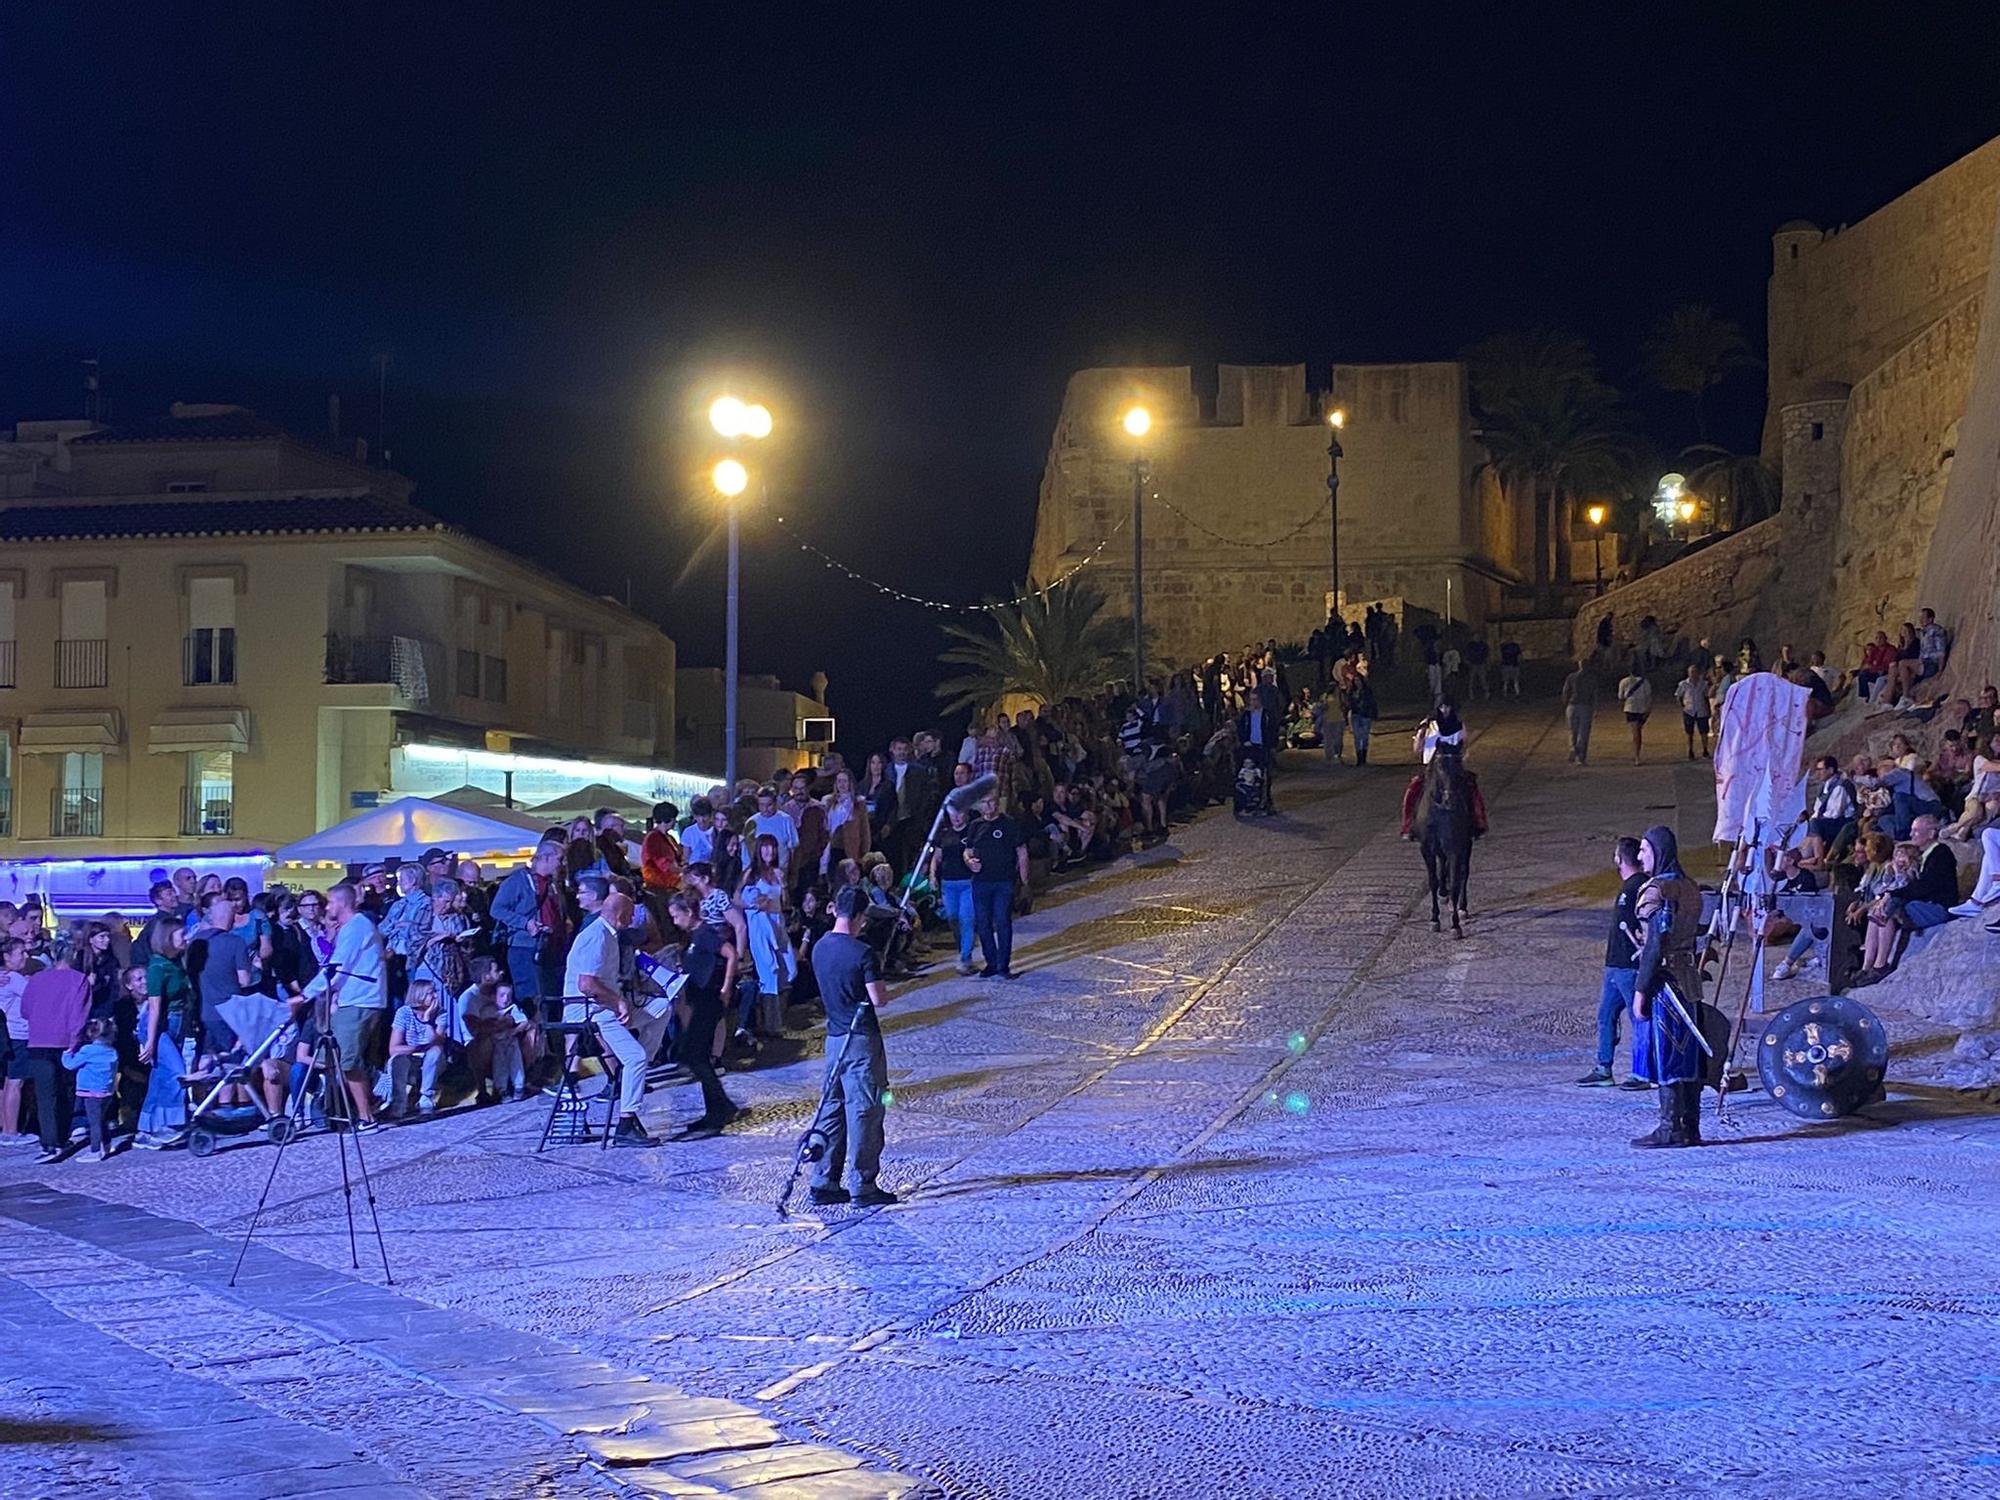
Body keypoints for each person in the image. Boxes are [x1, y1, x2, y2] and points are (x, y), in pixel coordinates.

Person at [806, 886, 898, 1207]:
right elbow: (879, 999)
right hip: (861, 1041)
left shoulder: (820, 948)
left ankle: (824, 1179)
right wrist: (876, 966)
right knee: (865, 1109)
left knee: (832, 1108)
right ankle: (863, 1183)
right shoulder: (862, 953)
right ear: (859, 916)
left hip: (833, 1040)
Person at [562, 891, 661, 1147]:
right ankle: (626, 1123)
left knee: (661, 1009)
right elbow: (586, 984)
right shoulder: (596, 937)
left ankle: (637, 1070)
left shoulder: (609, 935)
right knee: (634, 1058)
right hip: (591, 1010)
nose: (631, 921)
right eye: (629, 916)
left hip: (607, 1006)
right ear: (620, 915)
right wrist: (617, 1001)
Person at [1629, 825, 1705, 1149]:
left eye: (1644, 850)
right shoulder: (1689, 887)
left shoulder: (1657, 891)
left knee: (1669, 1054)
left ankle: (1671, 1128)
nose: (1639, 856)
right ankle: (1690, 1126)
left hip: (1665, 986)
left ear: (1658, 853)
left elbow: (1654, 946)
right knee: (1688, 1055)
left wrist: (1640, 990)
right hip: (1690, 981)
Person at [302, 880, 388, 1132]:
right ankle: (346, 1110)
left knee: (347, 1059)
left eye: (329, 901)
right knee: (337, 1057)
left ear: (340, 903)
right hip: (352, 1000)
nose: (326, 907)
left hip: (361, 1000)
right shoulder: (350, 928)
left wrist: (305, 995)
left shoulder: (356, 927)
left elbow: (337, 967)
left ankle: (367, 1117)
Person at [665, 890, 742, 1137]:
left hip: (710, 1001)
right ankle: (719, 1106)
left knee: (694, 1054)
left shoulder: (706, 933)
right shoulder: (695, 938)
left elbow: (730, 953)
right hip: (700, 1001)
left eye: (676, 916)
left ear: (689, 912)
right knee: (694, 1055)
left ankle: (720, 1109)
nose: (674, 922)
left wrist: (727, 986)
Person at [1577, 837, 1646, 1088]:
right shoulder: (1631, 886)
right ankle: (1604, 1068)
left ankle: (1641, 1073)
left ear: (1619, 859)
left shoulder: (1637, 887)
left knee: (1638, 1019)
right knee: (1606, 1016)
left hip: (1628, 967)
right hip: (1615, 967)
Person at [21, 943, 91, 1162]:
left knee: (45, 1096)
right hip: (65, 1042)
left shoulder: (37, 979)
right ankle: (62, 1137)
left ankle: (49, 1144)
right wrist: (75, 1038)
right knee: (65, 1092)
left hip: (38, 1041)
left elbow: (25, 1010)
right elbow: (79, 1014)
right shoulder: (79, 979)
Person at [491, 840, 569, 1021]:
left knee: (548, 997)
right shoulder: (518, 881)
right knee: (530, 997)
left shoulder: (552, 884)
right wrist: (525, 923)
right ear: (547, 858)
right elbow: (497, 909)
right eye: (560, 859)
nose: (562, 864)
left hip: (548, 948)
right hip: (524, 949)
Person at [964, 790, 1029, 980]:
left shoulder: (1009, 824)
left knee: (1002, 921)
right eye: (983, 802)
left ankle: (1003, 965)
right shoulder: (975, 826)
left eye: (991, 802)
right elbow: (967, 851)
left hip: (1003, 881)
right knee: (983, 924)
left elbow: (1021, 851)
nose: (988, 806)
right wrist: (969, 862)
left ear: (998, 803)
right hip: (981, 882)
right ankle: (991, 962)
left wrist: (1025, 881)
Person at [928, 798, 978, 975]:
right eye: (953, 814)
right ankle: (963, 948)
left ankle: (965, 958)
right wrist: (933, 874)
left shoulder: (971, 831)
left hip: (967, 883)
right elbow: (937, 857)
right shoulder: (944, 834)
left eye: (959, 813)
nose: (956, 817)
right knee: (952, 918)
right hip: (948, 884)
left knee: (966, 919)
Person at [62, 1018, 121, 1161]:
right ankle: (106, 1146)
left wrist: (67, 1052)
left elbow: (69, 1065)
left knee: (93, 1122)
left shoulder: (88, 1050)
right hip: (107, 1092)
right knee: (102, 1120)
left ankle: (95, 1151)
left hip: (90, 1092)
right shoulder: (112, 1052)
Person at [1562, 657, 1599, 765]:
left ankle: (1573, 748)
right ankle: (1580, 756)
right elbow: (1594, 695)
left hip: (1572, 706)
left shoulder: (1571, 677)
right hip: (1585, 706)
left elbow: (1565, 692)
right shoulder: (1592, 678)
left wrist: (1565, 704)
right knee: (1583, 732)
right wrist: (1595, 708)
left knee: (1572, 730)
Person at [641, 802, 684, 895]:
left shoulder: (668, 837)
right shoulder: (653, 838)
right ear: (670, 819)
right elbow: (664, 865)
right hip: (660, 883)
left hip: (671, 880)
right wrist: (683, 871)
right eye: (674, 819)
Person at [1617, 661, 1653, 765]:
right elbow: (1649, 697)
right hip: (1642, 709)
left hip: (1631, 708)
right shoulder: (1645, 682)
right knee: (1637, 732)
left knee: (1636, 732)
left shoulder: (1624, 682)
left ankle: (1637, 754)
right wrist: (1648, 710)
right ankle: (1637, 754)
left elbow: (1621, 696)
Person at [1674, 663, 1713, 760]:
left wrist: (1708, 709)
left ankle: (1705, 750)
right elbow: (1678, 696)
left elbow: (1706, 697)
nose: (1693, 674)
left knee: (1704, 732)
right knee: (1689, 732)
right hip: (1689, 710)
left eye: (1695, 672)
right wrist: (1683, 707)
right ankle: (1690, 750)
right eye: (1691, 672)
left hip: (1701, 710)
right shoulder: (1684, 684)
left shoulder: (1703, 684)